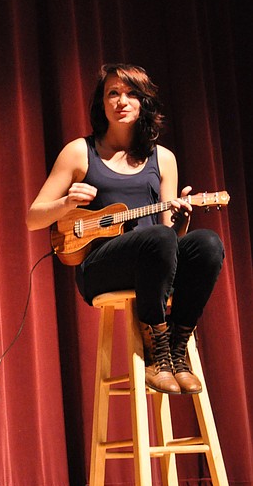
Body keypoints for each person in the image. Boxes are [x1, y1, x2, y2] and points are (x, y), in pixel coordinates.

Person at [26, 63, 224, 395]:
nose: (122, 101)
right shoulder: (80, 152)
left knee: (207, 244)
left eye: (132, 94)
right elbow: (34, 218)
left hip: (155, 262)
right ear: (101, 104)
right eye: (113, 93)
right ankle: (156, 351)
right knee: (158, 239)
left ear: (144, 102)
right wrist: (66, 203)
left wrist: (182, 219)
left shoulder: (163, 159)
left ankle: (176, 347)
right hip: (101, 266)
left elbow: (169, 238)